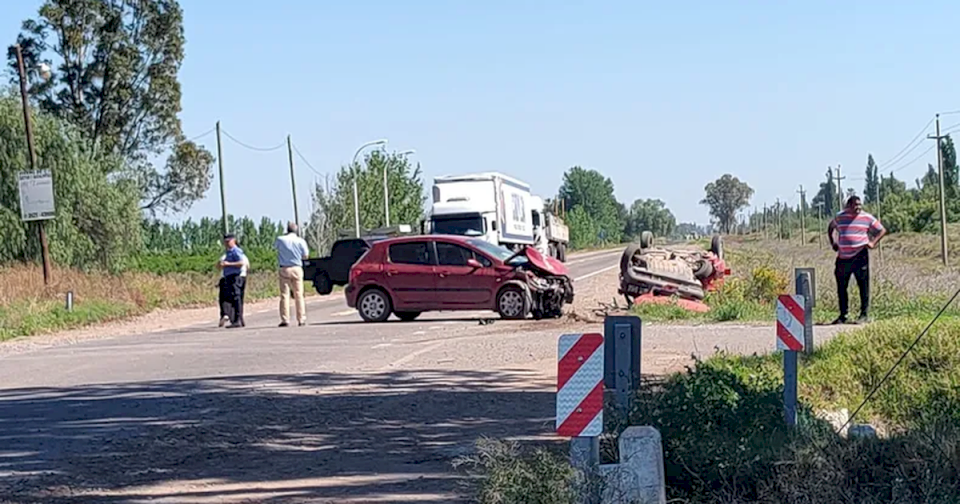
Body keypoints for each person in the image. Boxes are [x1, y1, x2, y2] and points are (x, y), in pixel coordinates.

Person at [827, 195, 887, 325]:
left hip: (860, 255)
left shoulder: (867, 217)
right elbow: (831, 227)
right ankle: (843, 315)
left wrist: (872, 242)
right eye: (855, 205)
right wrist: (833, 242)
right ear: (848, 206)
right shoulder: (840, 217)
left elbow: (881, 230)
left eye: (859, 205)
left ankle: (864, 315)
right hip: (843, 257)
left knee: (863, 285)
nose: (858, 207)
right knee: (842, 286)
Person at [274, 222, 310, 327]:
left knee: (284, 295)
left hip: (284, 268)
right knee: (299, 294)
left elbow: (275, 248)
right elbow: (306, 256)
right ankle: (301, 319)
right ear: (296, 230)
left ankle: (285, 319)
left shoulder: (280, 239)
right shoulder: (300, 241)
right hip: (297, 268)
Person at [217, 234, 248, 329]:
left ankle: (237, 320)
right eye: (225, 241)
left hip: (236, 277)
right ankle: (237, 320)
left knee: (236, 298)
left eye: (228, 241)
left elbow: (241, 263)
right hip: (230, 277)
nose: (226, 243)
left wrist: (228, 264)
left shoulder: (236, 251)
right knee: (234, 298)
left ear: (233, 240)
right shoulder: (228, 252)